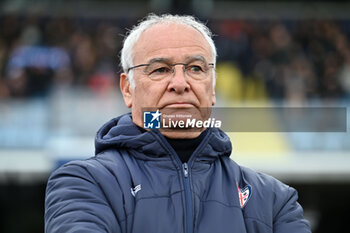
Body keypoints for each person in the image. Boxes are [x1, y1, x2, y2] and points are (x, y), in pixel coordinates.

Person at [45, 14, 311, 233]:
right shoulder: (84, 183)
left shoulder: (275, 200)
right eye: (160, 69)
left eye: (196, 68)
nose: (181, 84)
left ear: (213, 86)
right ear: (128, 89)